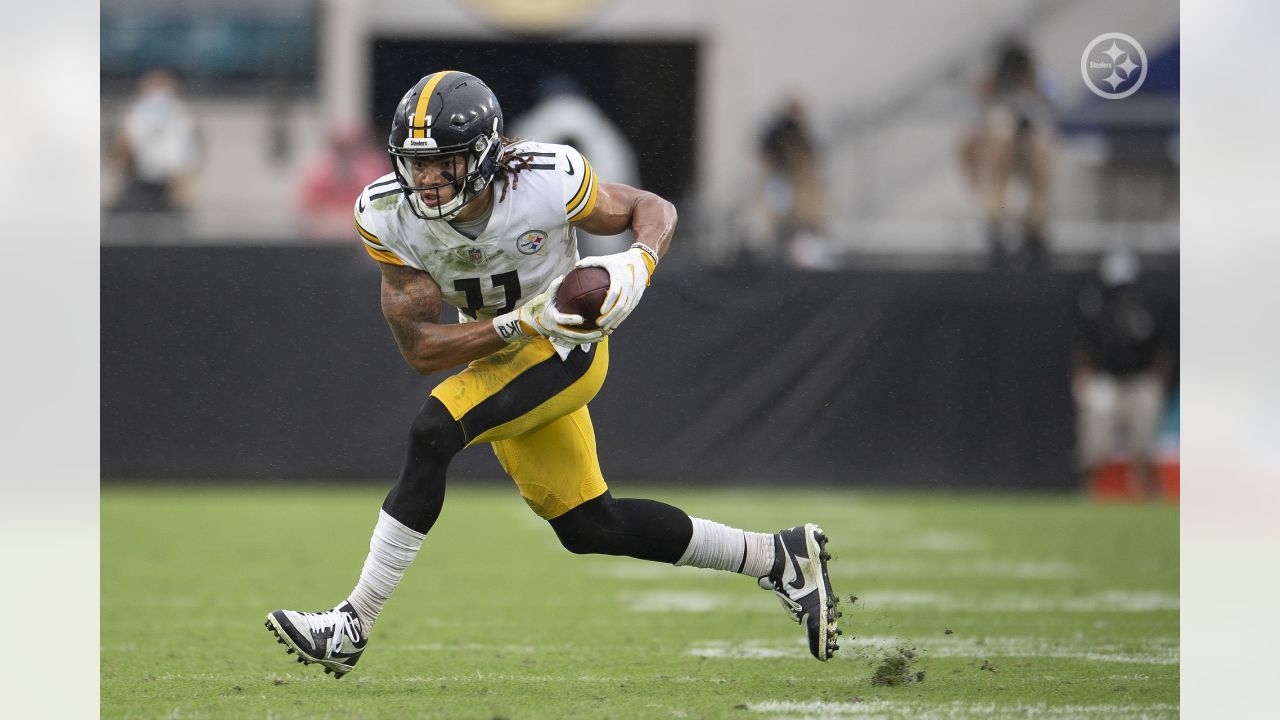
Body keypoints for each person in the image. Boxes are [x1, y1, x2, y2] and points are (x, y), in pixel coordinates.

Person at [264, 70, 841, 677]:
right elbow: (422, 349)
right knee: (591, 524)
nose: (426, 180)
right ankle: (778, 559)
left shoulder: (546, 179)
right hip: (509, 351)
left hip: (569, 351)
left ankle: (352, 623)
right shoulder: (387, 214)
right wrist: (519, 323)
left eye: (445, 164)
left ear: (484, 156)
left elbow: (653, 208)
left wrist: (637, 267)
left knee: (433, 431)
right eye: (416, 164)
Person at [1072, 249, 1172, 496]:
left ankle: (1147, 484)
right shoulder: (1095, 308)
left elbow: (1162, 350)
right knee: (1095, 430)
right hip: (1106, 380)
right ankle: (1087, 486)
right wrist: (1083, 376)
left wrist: (1160, 381)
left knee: (1146, 428)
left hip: (1139, 380)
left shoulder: (1147, 309)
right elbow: (1084, 346)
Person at [958, 40, 1056, 271]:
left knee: (1039, 148)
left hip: (1028, 138)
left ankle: (1034, 228)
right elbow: (976, 121)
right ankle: (996, 225)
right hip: (1001, 140)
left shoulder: (1037, 84)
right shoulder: (995, 93)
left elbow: (1051, 98)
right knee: (1001, 135)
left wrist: (1035, 85)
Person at [105, 68, 203, 239]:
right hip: (140, 187)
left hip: (172, 189)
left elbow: (194, 158)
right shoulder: (135, 117)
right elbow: (118, 155)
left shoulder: (184, 119)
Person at [753, 98, 833, 269]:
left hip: (792, 182)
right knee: (780, 217)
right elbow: (768, 153)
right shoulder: (777, 132)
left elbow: (810, 154)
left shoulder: (800, 132)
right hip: (780, 179)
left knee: (797, 220)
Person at [297, 122, 390, 242]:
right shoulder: (318, 172)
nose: (346, 156)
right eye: (341, 149)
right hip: (326, 242)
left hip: (365, 244)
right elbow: (308, 216)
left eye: (350, 148)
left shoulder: (374, 168)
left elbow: (382, 214)